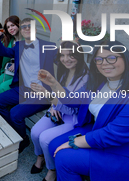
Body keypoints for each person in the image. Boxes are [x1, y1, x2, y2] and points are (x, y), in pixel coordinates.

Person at [37, 41, 129, 181]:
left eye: (112, 58)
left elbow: (114, 134)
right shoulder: (100, 83)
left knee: (64, 157)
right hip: (97, 131)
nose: (104, 63)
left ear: (125, 59)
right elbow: (73, 100)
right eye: (99, 59)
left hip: (124, 152)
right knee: (53, 145)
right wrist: (53, 83)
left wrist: (73, 142)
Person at [0, 18, 58, 153]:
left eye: (30, 26)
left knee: (15, 113)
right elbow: (5, 52)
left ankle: (22, 139)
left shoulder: (48, 46)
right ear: (21, 31)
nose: (27, 29)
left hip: (42, 93)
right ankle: (15, 132)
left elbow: (66, 62)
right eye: (24, 27)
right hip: (23, 89)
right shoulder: (19, 45)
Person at [30, 41, 89, 181]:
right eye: (62, 55)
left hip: (72, 118)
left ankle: (52, 170)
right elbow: (58, 96)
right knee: (35, 132)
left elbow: (73, 107)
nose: (65, 59)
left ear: (79, 56)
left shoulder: (86, 78)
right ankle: (41, 157)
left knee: (45, 139)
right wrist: (53, 105)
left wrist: (49, 96)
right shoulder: (64, 71)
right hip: (57, 110)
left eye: (70, 55)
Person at [0, 16, 20, 105]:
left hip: (21, 76)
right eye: (8, 27)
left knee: (2, 87)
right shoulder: (10, 39)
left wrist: (17, 63)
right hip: (9, 71)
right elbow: (4, 52)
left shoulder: (26, 39)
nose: (10, 28)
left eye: (12, 25)